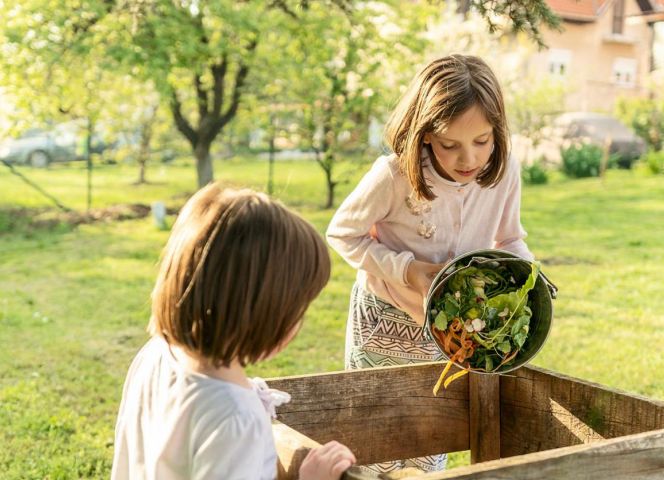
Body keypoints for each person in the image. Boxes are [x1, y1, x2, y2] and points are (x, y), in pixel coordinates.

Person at [326, 54, 534, 474]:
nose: (468, 158)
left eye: (482, 140)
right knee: (373, 437)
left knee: (429, 438)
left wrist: (528, 278)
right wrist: (407, 269)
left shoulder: (504, 171)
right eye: (449, 145)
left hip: (453, 329)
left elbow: (509, 239)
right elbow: (343, 234)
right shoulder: (394, 175)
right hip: (383, 320)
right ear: (424, 135)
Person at [112, 185, 356, 480]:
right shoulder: (236, 420)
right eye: (297, 310)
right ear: (263, 313)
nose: (299, 323)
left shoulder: (155, 355)